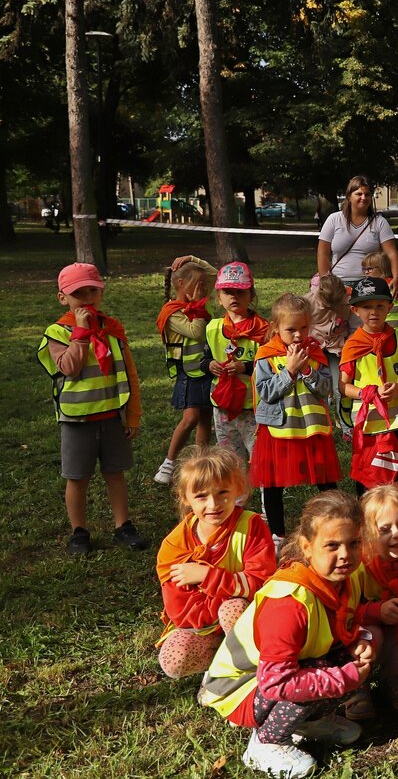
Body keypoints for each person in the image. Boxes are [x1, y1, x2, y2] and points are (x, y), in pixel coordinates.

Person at [200, 491, 372, 778]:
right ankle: (266, 743)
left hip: (281, 672)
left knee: (345, 660)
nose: (345, 555)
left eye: (354, 543)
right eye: (332, 545)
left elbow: (344, 622)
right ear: (306, 547)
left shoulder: (346, 577)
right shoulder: (288, 602)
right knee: (326, 671)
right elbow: (275, 683)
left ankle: (308, 723)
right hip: (241, 689)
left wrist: (360, 639)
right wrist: (343, 679)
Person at [38, 262, 147, 555]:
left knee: (115, 473)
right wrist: (81, 333)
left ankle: (123, 526)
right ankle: (79, 532)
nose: (87, 299)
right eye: (78, 293)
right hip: (76, 421)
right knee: (78, 478)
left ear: (101, 293)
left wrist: (132, 415)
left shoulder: (112, 329)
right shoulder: (57, 332)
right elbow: (69, 368)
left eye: (92, 291)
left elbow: (130, 374)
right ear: (63, 298)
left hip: (112, 417)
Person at [156, 446, 274, 679]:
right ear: (185, 497)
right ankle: (222, 658)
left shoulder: (251, 527)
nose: (213, 504)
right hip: (202, 628)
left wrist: (207, 577)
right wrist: (219, 608)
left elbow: (261, 584)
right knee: (174, 661)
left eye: (222, 493)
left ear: (238, 488)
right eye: (201, 496)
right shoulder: (175, 544)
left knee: (233, 609)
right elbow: (179, 611)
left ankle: (252, 668)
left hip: (245, 618)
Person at [251, 295, 341, 541]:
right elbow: (266, 392)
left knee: (325, 479)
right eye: (291, 329)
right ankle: (277, 536)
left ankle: (335, 521)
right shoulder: (266, 355)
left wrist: (307, 370)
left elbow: (326, 389)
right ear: (275, 327)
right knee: (273, 484)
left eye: (304, 327)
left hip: (312, 428)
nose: (299, 335)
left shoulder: (315, 352)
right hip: (279, 429)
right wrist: (289, 371)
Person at [350, 484, 398, 717]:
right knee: (369, 634)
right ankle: (358, 686)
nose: (397, 533)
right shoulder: (359, 565)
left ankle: (397, 680)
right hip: (367, 630)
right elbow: (347, 611)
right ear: (367, 534)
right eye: (385, 529)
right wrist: (377, 611)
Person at [340, 277, 398, 490]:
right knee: (367, 478)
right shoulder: (353, 345)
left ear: (389, 307)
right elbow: (343, 386)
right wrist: (367, 393)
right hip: (369, 426)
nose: (373, 312)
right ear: (355, 310)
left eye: (379, 306)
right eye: (366, 307)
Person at [154, 256, 215, 485]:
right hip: (189, 372)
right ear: (181, 284)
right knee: (190, 418)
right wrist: (198, 306)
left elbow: (215, 273)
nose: (204, 288)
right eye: (198, 284)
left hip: (206, 368)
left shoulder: (197, 303)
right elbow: (196, 332)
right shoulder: (172, 312)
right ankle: (169, 463)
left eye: (204, 285)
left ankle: (201, 464)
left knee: (205, 417)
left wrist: (192, 259)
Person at [205, 263, 269, 463]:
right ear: (219, 297)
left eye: (240, 292)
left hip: (253, 408)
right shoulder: (212, 328)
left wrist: (245, 367)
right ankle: (236, 485)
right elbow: (203, 358)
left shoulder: (264, 330)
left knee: (259, 458)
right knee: (230, 459)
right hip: (222, 406)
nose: (234, 297)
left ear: (251, 295)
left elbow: (272, 365)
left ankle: (259, 484)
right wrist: (209, 365)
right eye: (228, 292)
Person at [317, 175, 398, 290]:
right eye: (359, 194)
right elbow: (322, 254)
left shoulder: (380, 222)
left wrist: (396, 277)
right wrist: (325, 282)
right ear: (349, 196)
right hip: (338, 285)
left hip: (370, 285)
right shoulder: (333, 219)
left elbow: (391, 253)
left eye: (367, 194)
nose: (363, 198)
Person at [305, 272, 351, 428]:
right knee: (317, 387)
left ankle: (345, 425)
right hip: (314, 349)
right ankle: (320, 425)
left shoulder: (347, 301)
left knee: (340, 387)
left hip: (336, 348)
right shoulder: (308, 302)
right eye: (328, 305)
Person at [361, 251, 398, 333]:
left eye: (369, 269)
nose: (366, 272)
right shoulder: (396, 284)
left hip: (388, 325)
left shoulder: (374, 286)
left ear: (382, 268)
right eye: (364, 269)